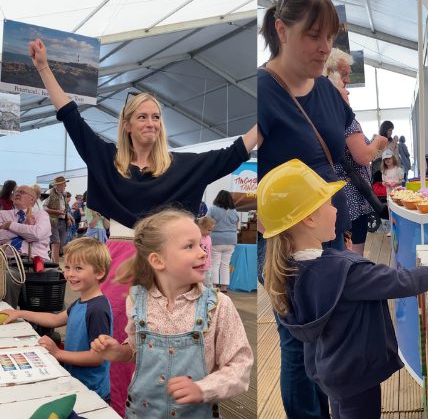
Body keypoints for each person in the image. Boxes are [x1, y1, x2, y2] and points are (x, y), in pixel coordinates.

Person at [29, 38, 257, 415]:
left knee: (179, 336)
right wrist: (43, 69)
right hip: (119, 260)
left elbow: (234, 153)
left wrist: (269, 119)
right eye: (142, 116)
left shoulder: (183, 165)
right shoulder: (106, 159)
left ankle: (187, 402)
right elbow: (70, 115)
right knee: (118, 341)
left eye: (156, 117)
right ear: (128, 124)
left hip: (169, 265)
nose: (150, 122)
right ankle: (120, 409)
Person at [259, 159, 428, 419]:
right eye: (328, 203)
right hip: (358, 378)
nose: (336, 210)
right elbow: (405, 281)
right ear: (309, 219)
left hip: (330, 372)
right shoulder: (346, 272)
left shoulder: (286, 271)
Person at [256, 0, 376, 416]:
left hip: (329, 233)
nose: (325, 46)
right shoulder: (261, 91)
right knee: (298, 340)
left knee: (329, 334)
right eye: (313, 35)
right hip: (289, 242)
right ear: (282, 30)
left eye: (331, 35)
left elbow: (347, 154)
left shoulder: (326, 91)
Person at [91, 209, 253, 418]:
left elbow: (241, 365)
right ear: (158, 261)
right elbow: (138, 348)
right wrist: (120, 352)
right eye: (189, 246)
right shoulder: (137, 300)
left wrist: (203, 388)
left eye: (201, 244)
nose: (203, 252)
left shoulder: (219, 305)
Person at [1, 237, 113, 402]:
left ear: (99, 273)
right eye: (67, 267)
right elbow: (54, 319)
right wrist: (19, 313)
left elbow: (97, 357)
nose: (70, 274)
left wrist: (58, 353)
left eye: (78, 268)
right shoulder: (82, 302)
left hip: (92, 392)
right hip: (76, 382)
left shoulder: (96, 310)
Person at [327, 70, 387, 256]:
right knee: (354, 254)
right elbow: (362, 156)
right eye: (344, 86)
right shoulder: (346, 121)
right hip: (351, 196)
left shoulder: (326, 121)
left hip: (335, 195)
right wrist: (377, 142)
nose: (348, 91)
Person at [0, 184, 51, 308]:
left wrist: (10, 225)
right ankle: (8, 317)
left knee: (51, 282)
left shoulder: (41, 214)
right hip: (9, 263)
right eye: (15, 191)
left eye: (22, 192)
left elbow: (38, 234)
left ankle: (37, 320)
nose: (17, 193)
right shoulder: (3, 214)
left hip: (35, 263)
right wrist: (27, 229)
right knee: (6, 277)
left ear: (32, 199)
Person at [208, 191, 239, 292]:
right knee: (225, 264)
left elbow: (206, 222)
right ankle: (224, 287)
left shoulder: (212, 209)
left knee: (215, 263)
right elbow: (237, 226)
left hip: (216, 239)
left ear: (218, 198)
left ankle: (214, 286)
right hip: (231, 240)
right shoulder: (234, 211)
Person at [43, 176, 69, 263]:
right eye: (64, 184)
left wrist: (68, 217)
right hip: (53, 221)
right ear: (58, 185)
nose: (65, 185)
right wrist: (56, 211)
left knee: (61, 244)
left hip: (62, 221)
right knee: (56, 243)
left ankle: (52, 260)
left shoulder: (64, 194)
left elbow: (65, 208)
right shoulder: (49, 192)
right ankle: (56, 266)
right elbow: (43, 207)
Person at [196, 216, 216, 287]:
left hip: (206, 265)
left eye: (211, 230)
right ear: (201, 227)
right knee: (197, 284)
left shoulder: (209, 238)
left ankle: (209, 295)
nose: (210, 232)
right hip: (197, 266)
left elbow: (209, 250)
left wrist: (210, 263)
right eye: (208, 230)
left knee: (208, 283)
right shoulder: (196, 237)